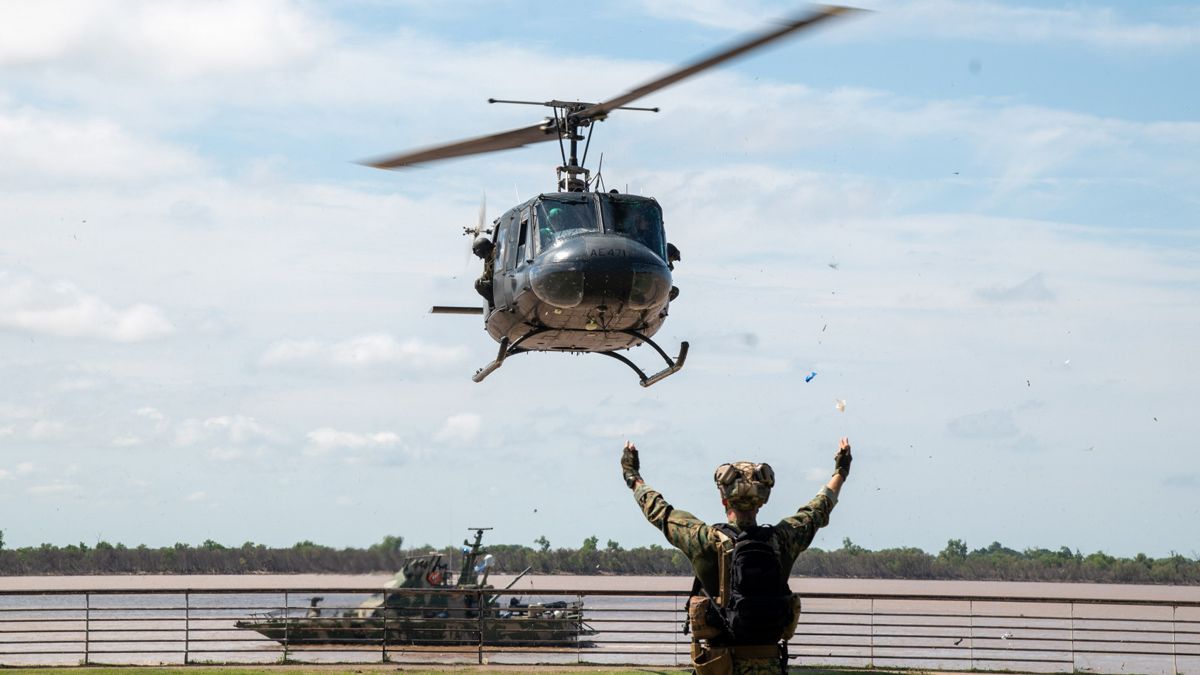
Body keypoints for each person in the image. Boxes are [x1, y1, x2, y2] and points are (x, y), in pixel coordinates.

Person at [621, 437, 852, 675]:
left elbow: (659, 511)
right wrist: (841, 470)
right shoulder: (784, 539)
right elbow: (818, 509)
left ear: (724, 500)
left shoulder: (703, 540)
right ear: (761, 503)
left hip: (721, 665)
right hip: (770, 665)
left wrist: (632, 474)